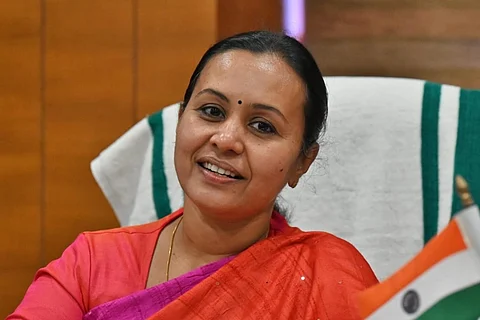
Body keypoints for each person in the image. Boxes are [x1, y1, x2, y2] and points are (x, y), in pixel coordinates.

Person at [8, 31, 378, 320]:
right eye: (212, 111)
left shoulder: (328, 275)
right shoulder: (90, 263)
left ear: (303, 161)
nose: (226, 140)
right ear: (182, 118)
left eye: (263, 126)